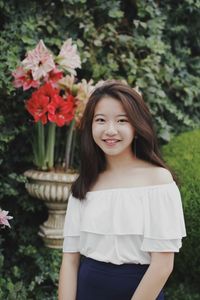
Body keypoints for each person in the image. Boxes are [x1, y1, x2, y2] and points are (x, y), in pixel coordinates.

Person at [58, 80, 186, 300]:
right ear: (90, 127)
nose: (110, 130)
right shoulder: (84, 183)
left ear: (137, 127)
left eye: (122, 121)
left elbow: (162, 265)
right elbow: (70, 261)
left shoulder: (157, 181)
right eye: (100, 120)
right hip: (86, 290)